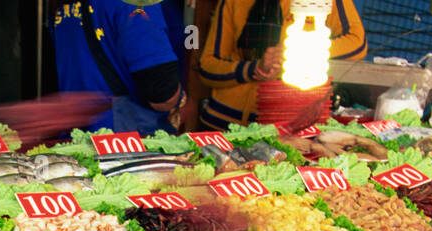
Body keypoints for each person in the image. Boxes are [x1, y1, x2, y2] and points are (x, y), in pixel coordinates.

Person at [197, 0, 366, 133]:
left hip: (287, 129)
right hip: (222, 127)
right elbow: (207, 67)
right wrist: (253, 69)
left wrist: (294, 52)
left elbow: (357, 43)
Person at [51, 1, 188, 135]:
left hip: (77, 137)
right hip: (121, 144)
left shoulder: (62, 6)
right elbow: (162, 94)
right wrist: (182, 100)